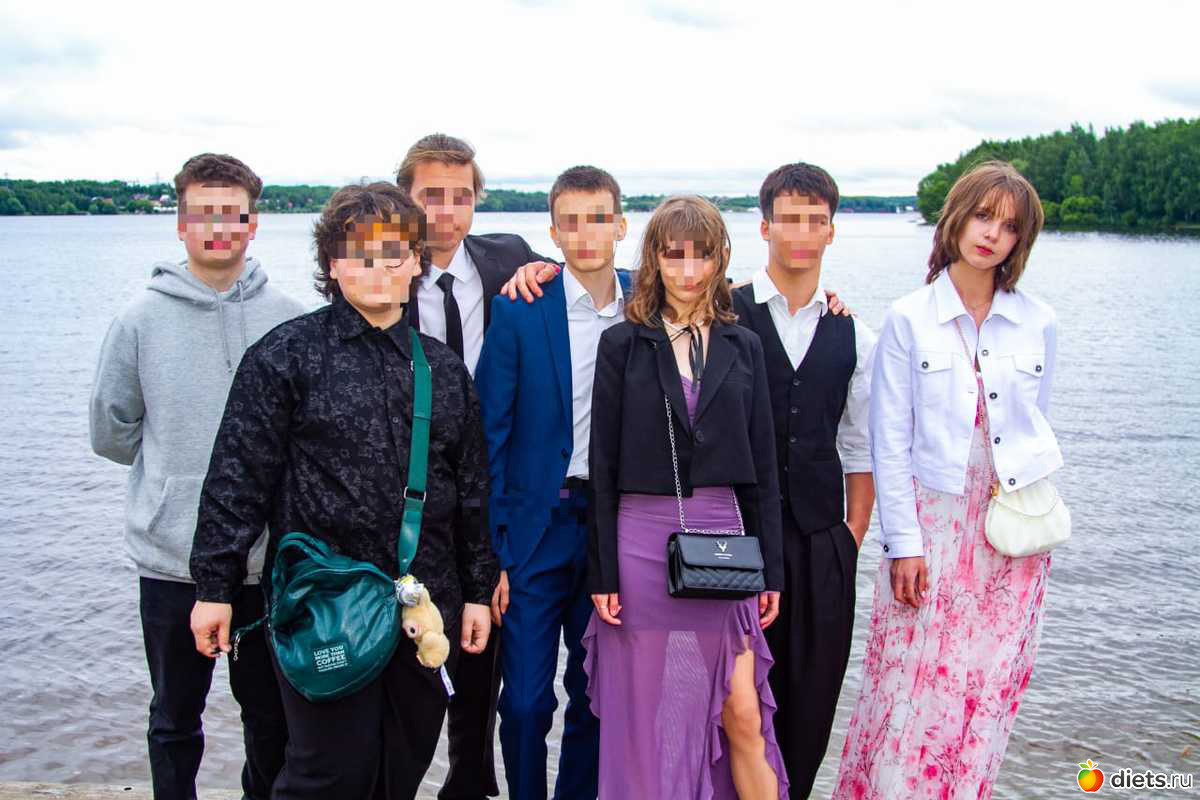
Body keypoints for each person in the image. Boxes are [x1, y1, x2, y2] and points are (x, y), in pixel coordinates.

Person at [188, 182, 499, 800]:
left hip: (424, 603)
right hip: (324, 600)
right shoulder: (285, 356)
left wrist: (476, 593)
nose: (378, 268)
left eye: (393, 254)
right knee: (326, 774)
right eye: (360, 254)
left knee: (402, 768)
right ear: (333, 264)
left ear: (416, 262)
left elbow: (470, 492)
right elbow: (237, 479)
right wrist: (214, 588)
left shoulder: (442, 368)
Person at [833, 161, 1059, 799]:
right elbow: (888, 443)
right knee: (911, 686)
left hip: (1009, 537)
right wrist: (903, 543)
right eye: (983, 216)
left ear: (1020, 241)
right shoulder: (909, 318)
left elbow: (1034, 426)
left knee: (985, 691)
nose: (991, 235)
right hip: (932, 529)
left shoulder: (1038, 321)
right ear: (957, 218)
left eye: (1008, 226)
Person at [89, 153, 299, 800]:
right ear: (181, 224)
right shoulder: (138, 320)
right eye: (203, 214)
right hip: (172, 560)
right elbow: (112, 431)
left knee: (271, 721)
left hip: (266, 563)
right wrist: (177, 475)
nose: (218, 228)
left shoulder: (290, 318)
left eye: (232, 214)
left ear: (252, 223)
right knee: (175, 718)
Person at [584, 195, 789, 799]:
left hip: (724, 539)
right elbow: (602, 466)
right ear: (654, 258)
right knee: (654, 719)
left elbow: (764, 470)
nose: (689, 271)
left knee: (743, 714)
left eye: (703, 256)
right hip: (640, 544)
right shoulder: (622, 344)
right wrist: (604, 572)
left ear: (721, 257)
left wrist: (772, 571)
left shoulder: (743, 344)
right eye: (675, 256)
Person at [395, 133, 558, 799]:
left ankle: (468, 781)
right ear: (405, 197)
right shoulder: (383, 271)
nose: (446, 210)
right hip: (408, 485)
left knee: (482, 640)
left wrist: (733, 294)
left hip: (489, 481)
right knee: (410, 649)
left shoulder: (509, 257)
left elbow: (594, 277)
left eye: (461, 196)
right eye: (431, 195)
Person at [475, 166, 632, 800]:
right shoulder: (519, 308)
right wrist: (492, 552)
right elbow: (489, 435)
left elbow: (718, 294)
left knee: (596, 696)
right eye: (572, 221)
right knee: (524, 702)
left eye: (599, 218)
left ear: (621, 225)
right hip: (536, 529)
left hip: (613, 531)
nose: (586, 233)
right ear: (554, 232)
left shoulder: (648, 304)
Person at [730, 162, 876, 798]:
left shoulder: (855, 333)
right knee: (734, 709)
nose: (801, 232)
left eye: (816, 220)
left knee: (810, 708)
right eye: (789, 218)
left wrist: (850, 538)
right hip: (737, 541)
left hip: (821, 546)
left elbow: (860, 446)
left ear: (831, 231)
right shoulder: (724, 312)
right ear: (765, 226)